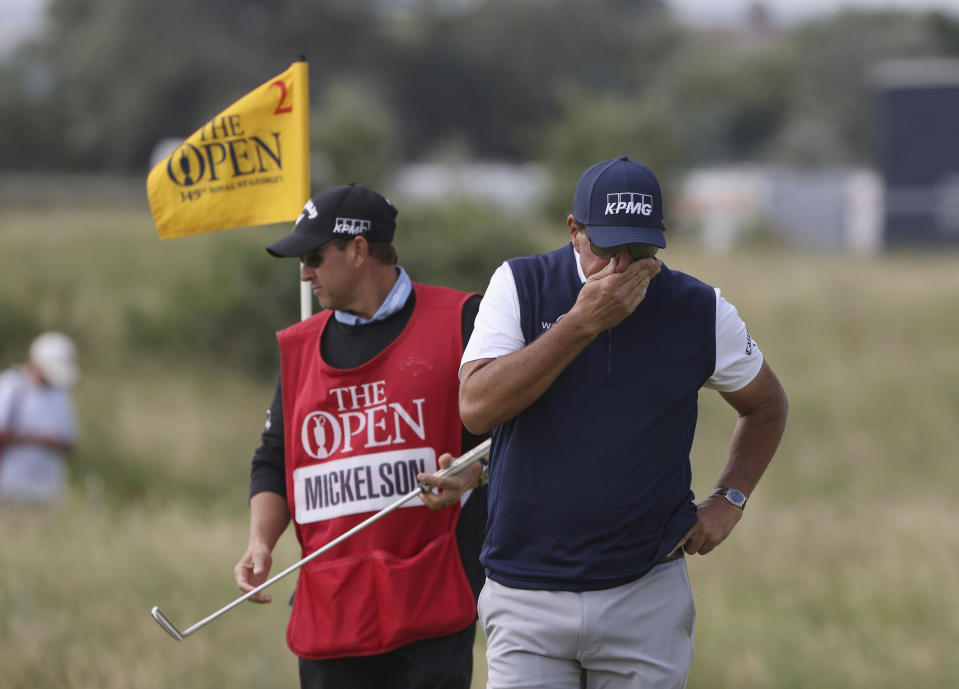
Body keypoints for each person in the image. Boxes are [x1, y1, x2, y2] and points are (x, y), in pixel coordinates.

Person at [459, 156, 789, 689]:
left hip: (646, 591)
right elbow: (476, 406)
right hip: (526, 594)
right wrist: (580, 324)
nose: (623, 265)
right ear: (574, 230)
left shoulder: (698, 308)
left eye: (641, 248)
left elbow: (767, 404)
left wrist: (730, 500)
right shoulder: (519, 284)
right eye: (607, 247)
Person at [232, 183, 489, 689]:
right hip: (331, 609)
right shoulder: (299, 346)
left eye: (313, 256)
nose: (304, 273)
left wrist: (475, 474)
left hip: (431, 604)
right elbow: (274, 459)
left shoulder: (463, 319)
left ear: (358, 249)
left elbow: (514, 437)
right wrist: (261, 542)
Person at [0, 331, 80, 504]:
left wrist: (51, 441)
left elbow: (69, 441)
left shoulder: (60, 395)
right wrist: (30, 437)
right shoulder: (10, 387)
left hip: (48, 488)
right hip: (9, 484)